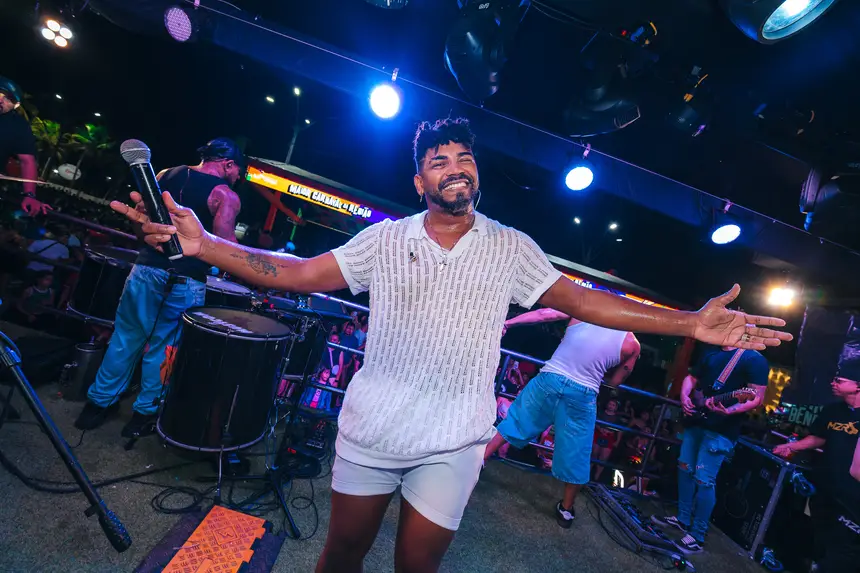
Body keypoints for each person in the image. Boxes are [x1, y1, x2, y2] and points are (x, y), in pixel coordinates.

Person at [112, 117, 791, 573]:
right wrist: (205, 245)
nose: (455, 167)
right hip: (373, 430)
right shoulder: (384, 240)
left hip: (454, 441)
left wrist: (689, 322)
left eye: (464, 158)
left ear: (476, 174)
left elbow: (585, 302)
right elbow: (293, 272)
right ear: (420, 182)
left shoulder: (511, 248)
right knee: (341, 557)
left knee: (417, 566)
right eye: (439, 161)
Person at [75, 138, 243, 438]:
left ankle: (97, 405)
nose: (237, 178)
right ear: (229, 164)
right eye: (238, 172)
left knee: (125, 338)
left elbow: (140, 221)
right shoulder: (225, 195)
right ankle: (143, 415)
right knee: (165, 347)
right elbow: (225, 246)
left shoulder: (166, 174)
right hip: (186, 280)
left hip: (145, 269)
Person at [485, 308, 640, 528]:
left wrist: (509, 323)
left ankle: (480, 461)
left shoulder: (584, 310)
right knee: (577, 450)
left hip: (551, 378)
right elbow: (615, 382)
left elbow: (544, 314)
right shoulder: (632, 344)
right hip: (583, 393)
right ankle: (566, 509)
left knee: (516, 420)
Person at [651, 345, 770, 554]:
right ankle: (683, 519)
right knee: (684, 467)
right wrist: (685, 396)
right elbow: (692, 378)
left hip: (721, 430)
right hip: (697, 421)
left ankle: (697, 535)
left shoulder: (753, 358)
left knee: (704, 480)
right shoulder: (711, 350)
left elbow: (756, 398)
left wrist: (730, 410)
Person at [773, 375, 860, 572]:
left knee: (844, 546)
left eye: (839, 380)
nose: (832, 383)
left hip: (852, 495)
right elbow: (818, 438)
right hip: (826, 484)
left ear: (858, 386)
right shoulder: (832, 410)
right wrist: (791, 446)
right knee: (818, 531)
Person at [0, 76, 50, 216]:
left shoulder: (18, 126)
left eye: (8, 99)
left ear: (16, 105)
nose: (1, 100)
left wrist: (30, 195)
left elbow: (27, 161)